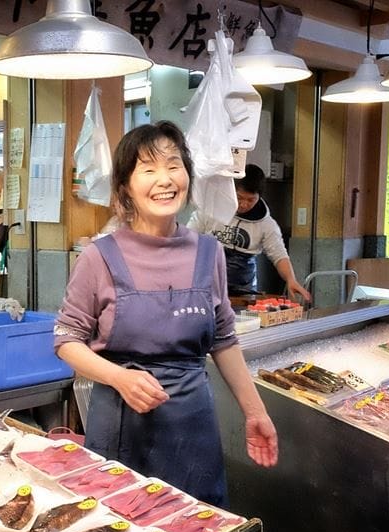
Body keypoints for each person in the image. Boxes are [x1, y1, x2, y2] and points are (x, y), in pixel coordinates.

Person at [54, 121, 278, 506]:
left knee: (197, 529)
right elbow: (66, 341)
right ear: (125, 185)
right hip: (123, 421)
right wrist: (119, 377)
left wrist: (255, 411)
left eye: (174, 166)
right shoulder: (99, 256)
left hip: (193, 426)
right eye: (148, 168)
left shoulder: (209, 253)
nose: (165, 179)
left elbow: (223, 339)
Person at [187, 164, 311, 301]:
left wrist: (291, 279)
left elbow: (279, 255)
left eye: (251, 200)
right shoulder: (210, 209)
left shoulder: (267, 225)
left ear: (259, 197)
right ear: (231, 191)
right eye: (239, 198)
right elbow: (188, 239)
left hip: (243, 288)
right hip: (207, 282)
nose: (244, 204)